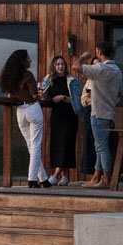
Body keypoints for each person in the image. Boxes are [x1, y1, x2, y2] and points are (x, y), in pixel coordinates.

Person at [0, 48, 49, 188]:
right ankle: (32, 180)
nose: (30, 60)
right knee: (36, 145)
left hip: (20, 111)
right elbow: (34, 95)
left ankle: (43, 178)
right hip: (33, 109)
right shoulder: (28, 75)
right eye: (28, 58)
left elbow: (10, 95)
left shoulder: (10, 78)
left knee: (30, 145)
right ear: (22, 61)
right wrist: (41, 94)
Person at [78, 41, 123, 187]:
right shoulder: (117, 70)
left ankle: (106, 179)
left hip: (98, 112)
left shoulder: (100, 69)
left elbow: (75, 67)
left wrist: (83, 57)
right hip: (110, 112)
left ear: (99, 52)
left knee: (102, 147)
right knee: (100, 146)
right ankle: (96, 176)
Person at [40, 55, 83, 187]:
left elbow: (78, 102)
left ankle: (56, 174)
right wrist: (50, 98)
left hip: (69, 116)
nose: (60, 66)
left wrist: (63, 98)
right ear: (54, 66)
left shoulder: (72, 81)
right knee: (57, 144)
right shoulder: (48, 80)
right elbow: (45, 98)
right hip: (56, 116)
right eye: (58, 64)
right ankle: (64, 177)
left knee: (66, 143)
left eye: (62, 64)